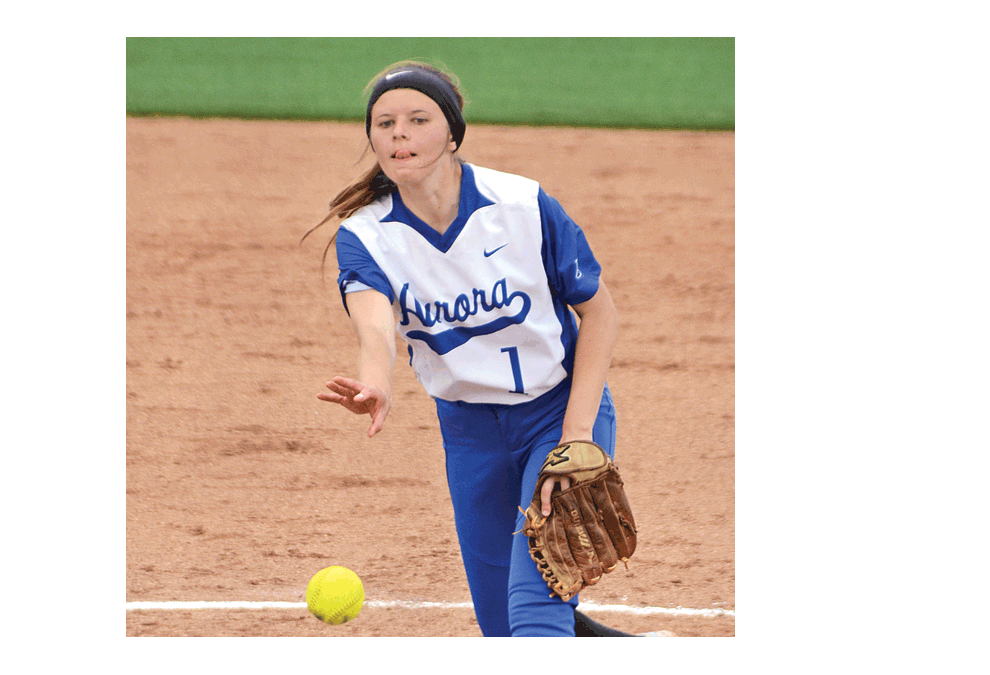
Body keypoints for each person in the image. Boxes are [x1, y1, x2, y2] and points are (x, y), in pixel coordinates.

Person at [305, 60, 639, 637]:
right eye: (383, 123)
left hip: (556, 418)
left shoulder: (523, 206)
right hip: (469, 436)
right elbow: (376, 327)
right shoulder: (365, 234)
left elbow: (600, 312)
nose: (398, 133)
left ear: (452, 134)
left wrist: (577, 434)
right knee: (501, 626)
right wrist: (375, 382)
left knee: (536, 607)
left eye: (417, 119)